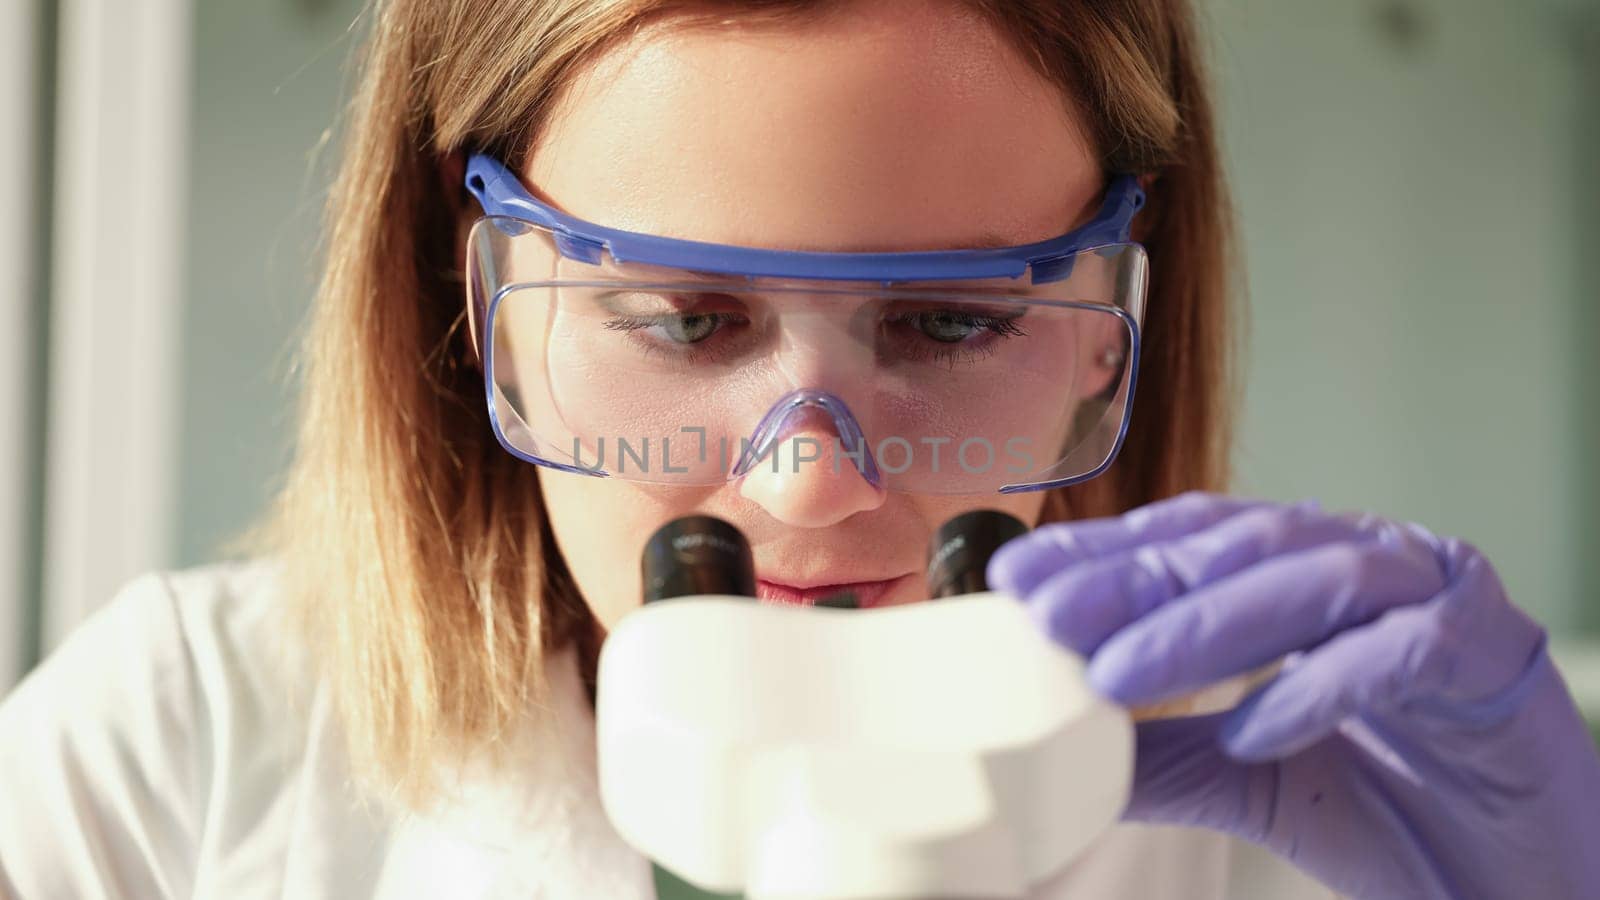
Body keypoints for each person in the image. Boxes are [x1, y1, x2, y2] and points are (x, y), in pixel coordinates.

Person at [2, 0, 1596, 897]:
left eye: (952, 325)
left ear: (1124, 326)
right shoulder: (174, 768)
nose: (811, 482)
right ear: (473, 301)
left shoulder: (1320, 829)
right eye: (685, 323)